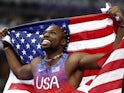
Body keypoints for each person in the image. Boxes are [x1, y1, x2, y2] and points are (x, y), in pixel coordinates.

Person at [0, 6, 124, 93]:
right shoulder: (36, 63)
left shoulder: (72, 61)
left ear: (63, 41)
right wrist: (6, 44)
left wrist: (122, 26)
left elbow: (110, 60)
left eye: (52, 33)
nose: (46, 35)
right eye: (44, 34)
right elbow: (19, 71)